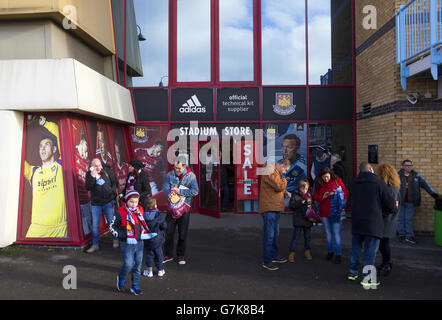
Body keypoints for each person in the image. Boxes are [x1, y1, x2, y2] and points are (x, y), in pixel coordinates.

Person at [347, 162, 395, 288]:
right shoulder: (379, 183)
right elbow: (390, 204)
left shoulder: (354, 183)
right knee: (370, 251)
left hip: (358, 222)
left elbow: (349, 202)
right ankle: (367, 278)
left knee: (355, 248)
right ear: (371, 169)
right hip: (373, 222)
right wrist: (389, 209)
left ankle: (352, 272)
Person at [24, 116, 67, 238]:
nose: (42, 148)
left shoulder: (61, 165)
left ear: (54, 149)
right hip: (37, 228)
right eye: (40, 146)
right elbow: (15, 154)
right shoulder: (33, 172)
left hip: (60, 228)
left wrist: (44, 123)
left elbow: (62, 136)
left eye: (46, 145)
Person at [110, 190, 156, 296]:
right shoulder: (120, 212)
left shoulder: (140, 209)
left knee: (138, 265)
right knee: (129, 264)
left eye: (136, 201)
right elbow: (112, 227)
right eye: (131, 202)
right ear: (126, 201)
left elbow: (142, 223)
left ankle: (135, 285)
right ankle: (121, 278)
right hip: (127, 243)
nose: (134, 204)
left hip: (139, 242)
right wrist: (124, 235)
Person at [162, 160, 199, 265]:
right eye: (175, 167)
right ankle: (168, 255)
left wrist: (180, 191)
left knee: (182, 233)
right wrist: (171, 193)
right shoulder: (170, 174)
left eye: (178, 168)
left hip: (184, 209)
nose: (176, 170)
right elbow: (165, 188)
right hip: (171, 208)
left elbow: (195, 191)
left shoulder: (191, 176)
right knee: (168, 232)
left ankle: (180, 255)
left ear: (184, 167)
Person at [258, 159, 291, 271]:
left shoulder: (275, 172)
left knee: (274, 234)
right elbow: (279, 186)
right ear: (281, 165)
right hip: (269, 208)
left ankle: (273, 255)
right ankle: (267, 261)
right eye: (285, 169)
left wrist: (285, 192)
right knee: (270, 235)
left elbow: (276, 186)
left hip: (274, 207)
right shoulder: (270, 169)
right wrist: (285, 180)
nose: (284, 172)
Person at [397, 159, 439, 244]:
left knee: (408, 219)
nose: (409, 167)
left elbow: (425, 184)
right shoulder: (398, 175)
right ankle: (401, 235)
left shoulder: (416, 175)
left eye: (410, 165)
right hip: (400, 201)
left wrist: (433, 194)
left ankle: (409, 236)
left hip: (411, 202)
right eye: (407, 165)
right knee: (400, 219)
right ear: (403, 166)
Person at [313, 167, 348, 264]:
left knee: (336, 233)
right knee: (328, 233)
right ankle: (330, 251)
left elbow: (345, 193)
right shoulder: (318, 183)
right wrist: (322, 197)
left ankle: (338, 254)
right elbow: (315, 197)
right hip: (325, 212)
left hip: (336, 211)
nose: (326, 179)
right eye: (324, 177)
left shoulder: (337, 181)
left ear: (330, 175)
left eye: (327, 177)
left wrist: (342, 206)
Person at [85, 158, 118, 252]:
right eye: (96, 166)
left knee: (111, 222)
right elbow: (87, 187)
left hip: (108, 201)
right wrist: (92, 176)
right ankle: (95, 245)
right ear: (92, 166)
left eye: (99, 165)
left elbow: (114, 182)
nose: (98, 167)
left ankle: (115, 240)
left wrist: (112, 192)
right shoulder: (89, 174)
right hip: (96, 203)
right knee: (95, 225)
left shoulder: (106, 171)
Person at [377, 163, 401, 277]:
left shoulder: (391, 190)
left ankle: (387, 264)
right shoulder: (392, 188)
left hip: (387, 221)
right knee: (383, 244)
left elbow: (391, 208)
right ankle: (386, 263)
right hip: (388, 221)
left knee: (384, 244)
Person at [288, 180, 314, 262]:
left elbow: (313, 207)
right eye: (303, 189)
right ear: (299, 188)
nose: (304, 191)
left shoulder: (309, 195)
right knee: (296, 237)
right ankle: (292, 253)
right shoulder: (295, 195)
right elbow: (291, 206)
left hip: (307, 220)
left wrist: (313, 213)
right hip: (298, 219)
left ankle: (307, 251)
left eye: (306, 189)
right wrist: (300, 202)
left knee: (307, 237)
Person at [142, 197, 167, 278]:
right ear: (155, 205)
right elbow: (164, 226)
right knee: (159, 254)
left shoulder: (143, 215)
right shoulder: (158, 215)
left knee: (149, 254)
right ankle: (160, 270)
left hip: (147, 239)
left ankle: (149, 271)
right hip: (157, 239)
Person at [74, 130, 92, 235]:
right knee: (82, 223)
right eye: (86, 145)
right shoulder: (73, 154)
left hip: (86, 199)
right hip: (77, 199)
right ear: (81, 142)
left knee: (88, 222)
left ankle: (89, 238)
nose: (86, 151)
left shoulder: (86, 161)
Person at [281, 134, 307, 206]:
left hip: (292, 201)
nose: (285, 150)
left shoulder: (303, 168)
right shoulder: (277, 163)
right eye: (283, 147)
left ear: (297, 148)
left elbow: (304, 188)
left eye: (289, 147)